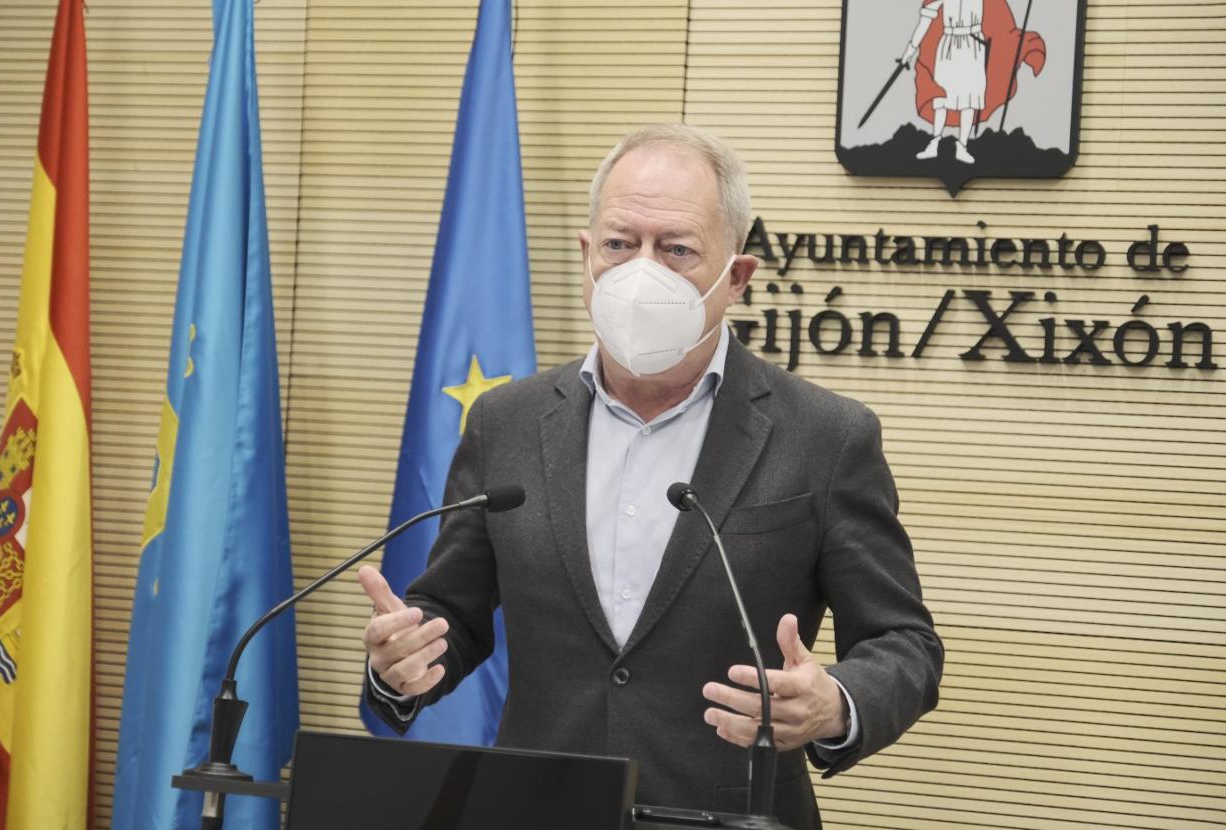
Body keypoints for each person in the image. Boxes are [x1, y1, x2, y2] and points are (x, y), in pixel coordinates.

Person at [360, 124, 943, 830]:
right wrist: (405, 662)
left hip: (730, 815)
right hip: (532, 810)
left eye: (676, 249)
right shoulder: (505, 423)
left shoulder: (823, 437)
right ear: (586, 257)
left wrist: (835, 702)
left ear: (737, 278)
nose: (643, 271)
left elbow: (903, 644)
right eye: (619, 243)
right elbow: (452, 613)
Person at [903, 0, 988, 164]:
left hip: (974, 45)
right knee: (941, 96)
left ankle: (962, 146)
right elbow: (926, 19)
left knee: (969, 98)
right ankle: (934, 143)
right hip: (949, 44)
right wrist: (910, 49)